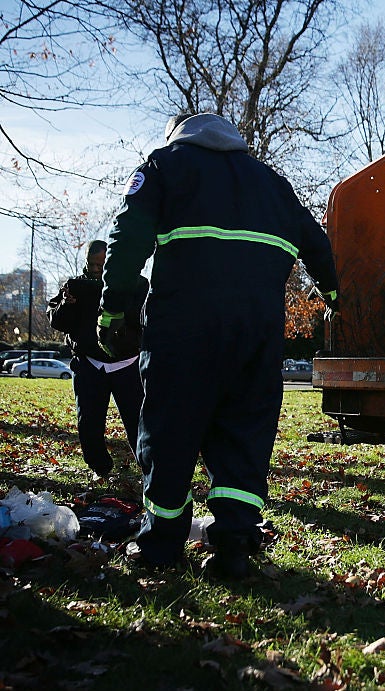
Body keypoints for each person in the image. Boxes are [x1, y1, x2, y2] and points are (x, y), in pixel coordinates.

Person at [97, 113, 339, 578]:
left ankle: (161, 544)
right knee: (244, 436)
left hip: (183, 330)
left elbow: (127, 239)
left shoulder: (165, 165)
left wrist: (112, 310)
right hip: (256, 336)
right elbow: (317, 244)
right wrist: (332, 295)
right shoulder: (275, 183)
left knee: (170, 430)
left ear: (179, 136)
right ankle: (233, 546)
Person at [46, 240, 147, 479]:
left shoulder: (138, 284)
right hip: (89, 363)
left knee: (138, 422)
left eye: (102, 266)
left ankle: (147, 467)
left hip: (126, 363)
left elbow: (143, 320)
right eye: (92, 265)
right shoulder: (74, 286)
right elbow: (57, 321)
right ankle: (100, 467)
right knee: (89, 423)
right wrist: (66, 304)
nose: (97, 270)